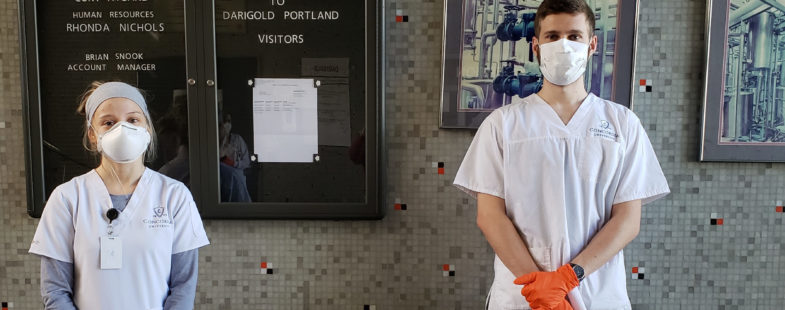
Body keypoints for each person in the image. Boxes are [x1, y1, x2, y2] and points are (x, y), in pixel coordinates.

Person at [453, 1, 670, 309]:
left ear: (592, 44)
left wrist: (568, 278)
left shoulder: (622, 124)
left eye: (574, 36)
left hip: (599, 295)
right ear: (536, 45)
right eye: (552, 36)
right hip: (522, 298)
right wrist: (542, 291)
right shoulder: (503, 125)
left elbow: (627, 220)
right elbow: (490, 217)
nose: (563, 45)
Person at [29, 81, 210, 310]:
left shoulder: (174, 196)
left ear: (147, 128)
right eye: (108, 122)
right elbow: (55, 290)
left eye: (133, 120)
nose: (122, 129)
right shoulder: (67, 199)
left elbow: (183, 288)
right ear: (92, 134)